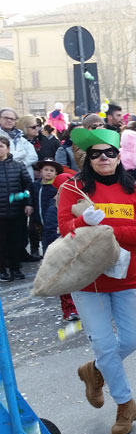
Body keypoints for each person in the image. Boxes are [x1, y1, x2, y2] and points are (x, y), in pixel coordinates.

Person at [58, 127, 136, 434]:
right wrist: (85, 221)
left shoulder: (133, 189)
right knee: (103, 342)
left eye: (109, 153)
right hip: (88, 281)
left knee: (133, 339)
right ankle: (125, 404)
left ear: (118, 157)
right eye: (96, 153)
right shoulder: (74, 189)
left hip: (126, 276)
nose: (103, 158)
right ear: (88, 157)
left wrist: (108, 232)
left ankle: (95, 370)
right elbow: (64, 230)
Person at [41, 172, 79, 321]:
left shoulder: (78, 203)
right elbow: (50, 233)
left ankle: (81, 308)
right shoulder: (54, 209)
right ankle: (70, 310)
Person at [0, 136, 33, 281]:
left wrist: (28, 203)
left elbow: (28, 185)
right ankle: (2, 270)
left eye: (1, 146)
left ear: (8, 148)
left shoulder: (18, 166)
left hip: (17, 211)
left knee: (16, 241)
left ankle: (15, 268)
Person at [0, 108, 37, 180]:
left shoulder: (20, 137)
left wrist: (18, 165)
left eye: (12, 119)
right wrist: (22, 153)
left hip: (24, 180)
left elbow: (33, 157)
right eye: (6, 118)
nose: (9, 120)